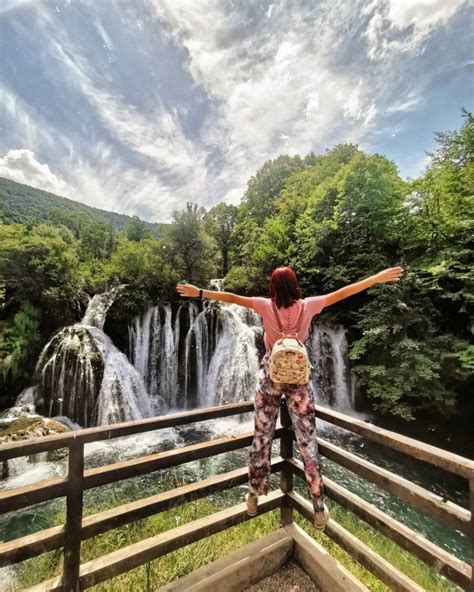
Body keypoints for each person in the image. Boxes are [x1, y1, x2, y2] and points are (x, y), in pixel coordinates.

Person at [176, 265, 404, 530]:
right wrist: (376, 278)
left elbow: (232, 298)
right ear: (295, 285)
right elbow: (343, 293)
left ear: (272, 288)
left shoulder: (264, 305)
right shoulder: (309, 306)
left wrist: (200, 292)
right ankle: (318, 508)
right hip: (298, 382)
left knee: (262, 438)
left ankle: (253, 496)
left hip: (270, 379)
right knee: (308, 444)